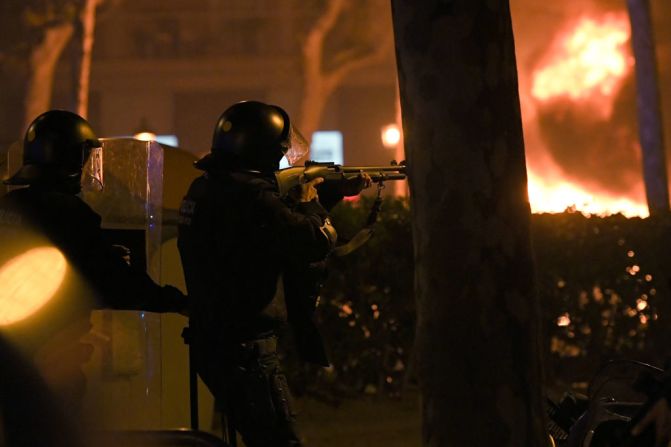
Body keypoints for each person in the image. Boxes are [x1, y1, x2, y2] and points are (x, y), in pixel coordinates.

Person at [177, 100, 370, 446]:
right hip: (246, 351)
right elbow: (313, 240)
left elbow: (271, 233)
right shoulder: (251, 197)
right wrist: (312, 200)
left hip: (215, 341)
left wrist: (324, 195)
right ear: (264, 151)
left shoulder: (208, 188)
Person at [0, 110, 188, 415]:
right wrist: (175, 301)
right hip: (53, 353)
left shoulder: (9, 207)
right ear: (73, 160)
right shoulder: (67, 213)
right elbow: (112, 280)